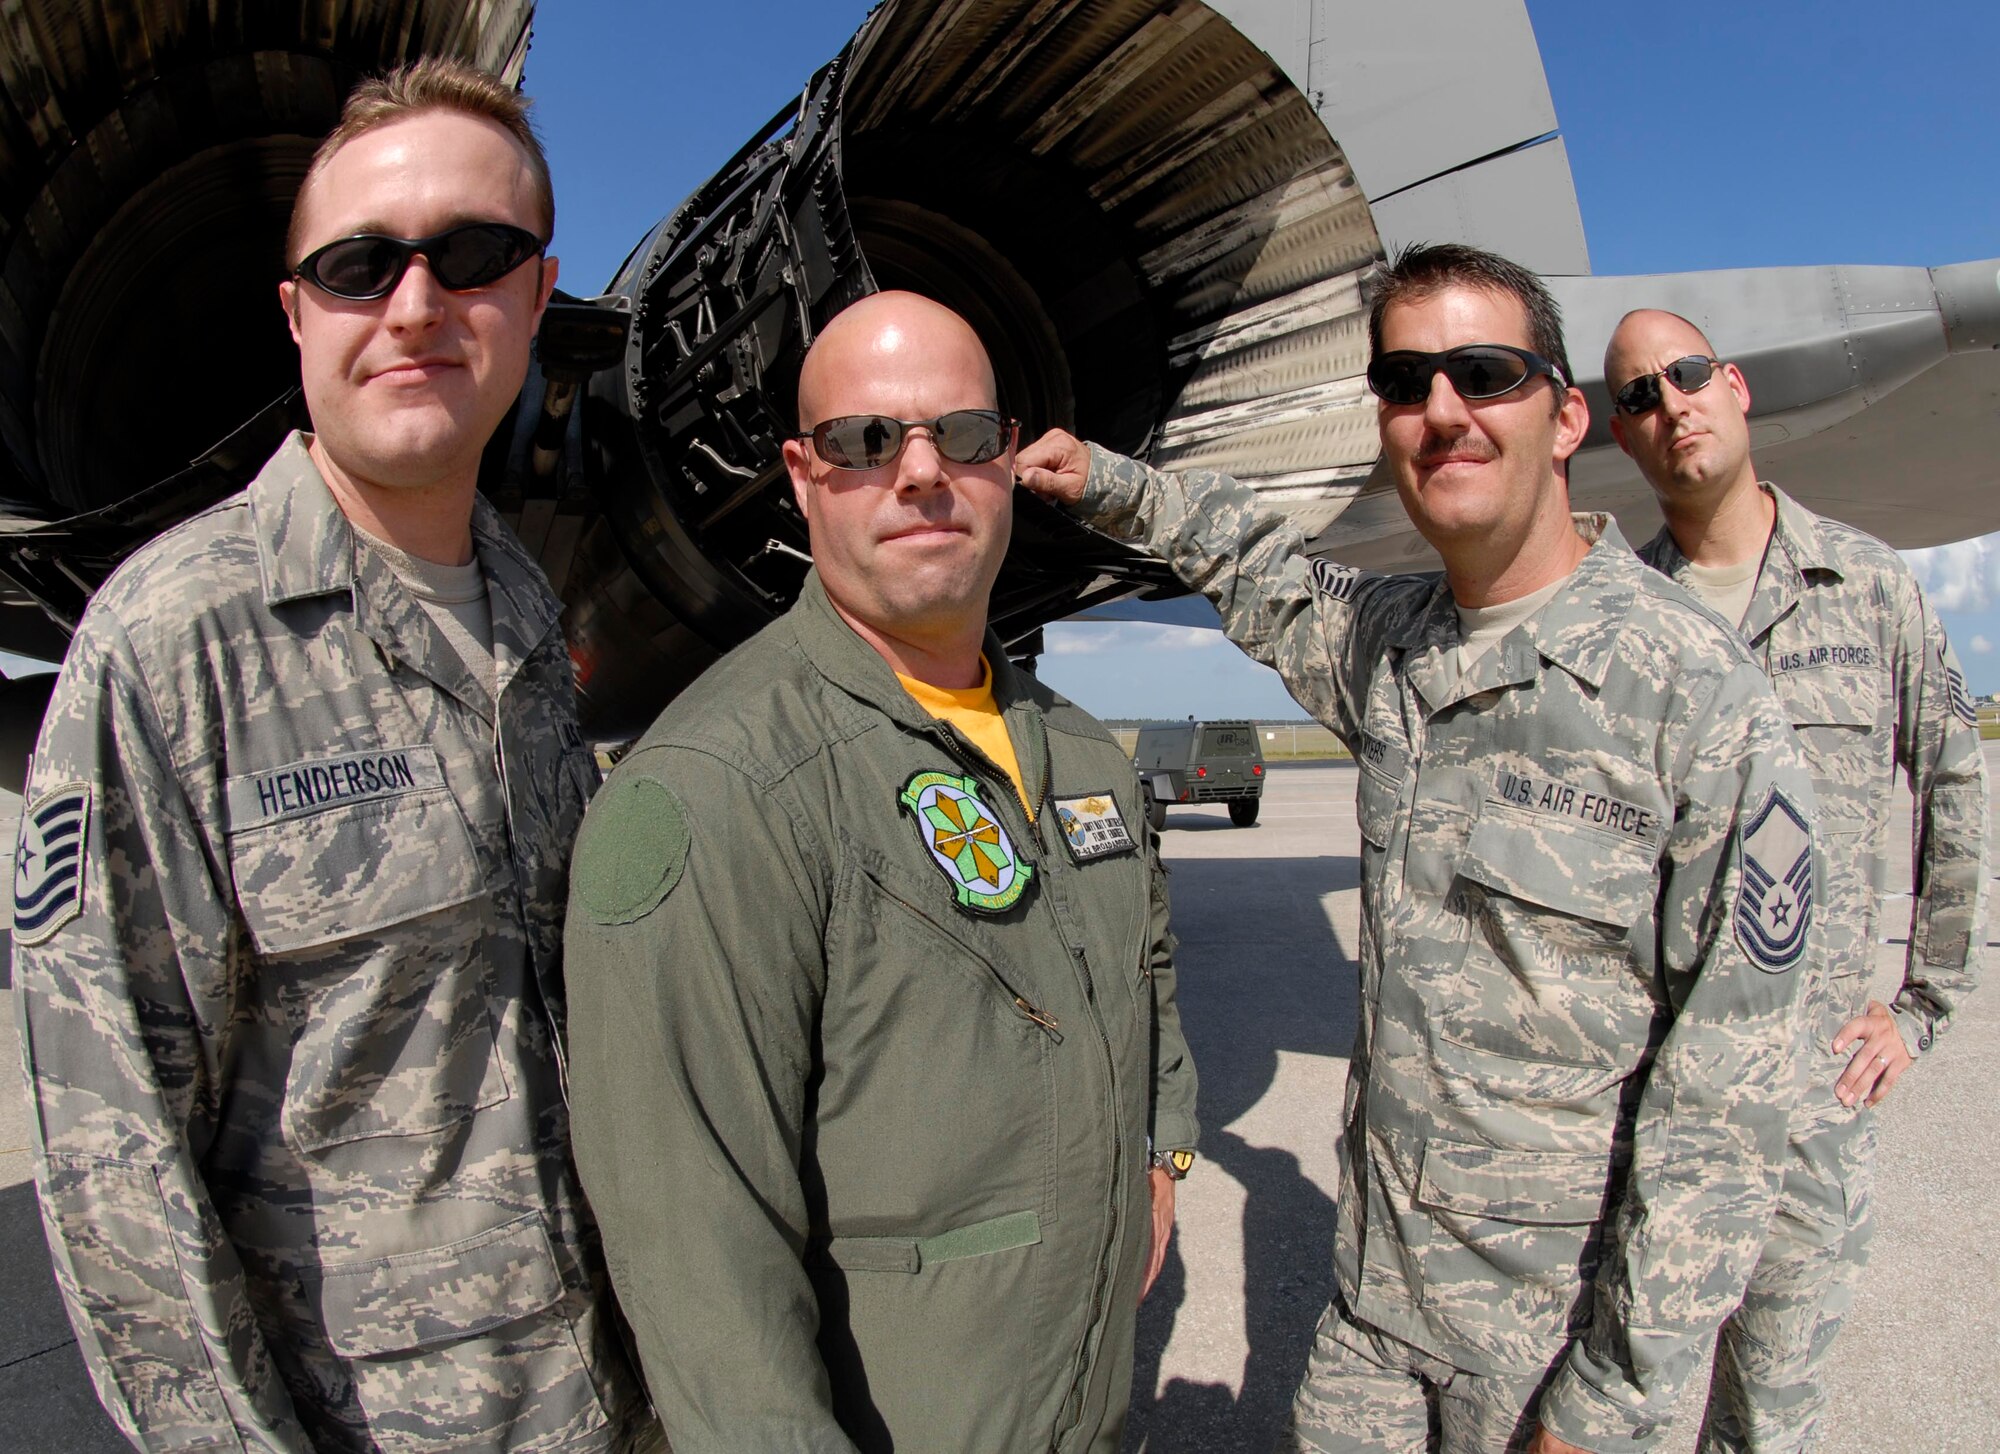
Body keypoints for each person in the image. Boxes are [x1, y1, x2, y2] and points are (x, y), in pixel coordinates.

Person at [1015, 243, 1817, 1454]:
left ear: (1562, 417)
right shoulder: (1389, 649)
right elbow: (1247, 557)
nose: (1441, 411)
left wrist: (1604, 1407)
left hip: (1549, 1358)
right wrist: (1101, 479)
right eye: (1404, 382)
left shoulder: (1696, 697)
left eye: (1483, 372)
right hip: (1371, 1319)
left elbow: (1728, 1105)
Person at [13, 59, 657, 1451]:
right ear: (299, 314)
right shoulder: (175, 647)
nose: (416, 305)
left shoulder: (532, 627)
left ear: (538, 299)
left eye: (473, 255)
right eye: (361, 265)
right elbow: (118, 1170)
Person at [562, 290, 1199, 1453]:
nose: (919, 472)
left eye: (960, 434)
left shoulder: (1077, 747)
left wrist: (1158, 1147)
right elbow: (695, 1251)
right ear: (804, 478)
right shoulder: (719, 788)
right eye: (866, 441)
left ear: (1006, 461)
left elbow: (1142, 961)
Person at [1605, 308, 1989, 1453]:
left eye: (1682, 374)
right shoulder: (1624, 617)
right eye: (1635, 394)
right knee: (1608, 1398)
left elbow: (1953, 780)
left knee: (1768, 1419)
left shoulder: (1865, 586)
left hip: (1809, 1099)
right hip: (1649, 1094)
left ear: (1732, 387)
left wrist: (1923, 1001)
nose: (1667, 403)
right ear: (1618, 438)